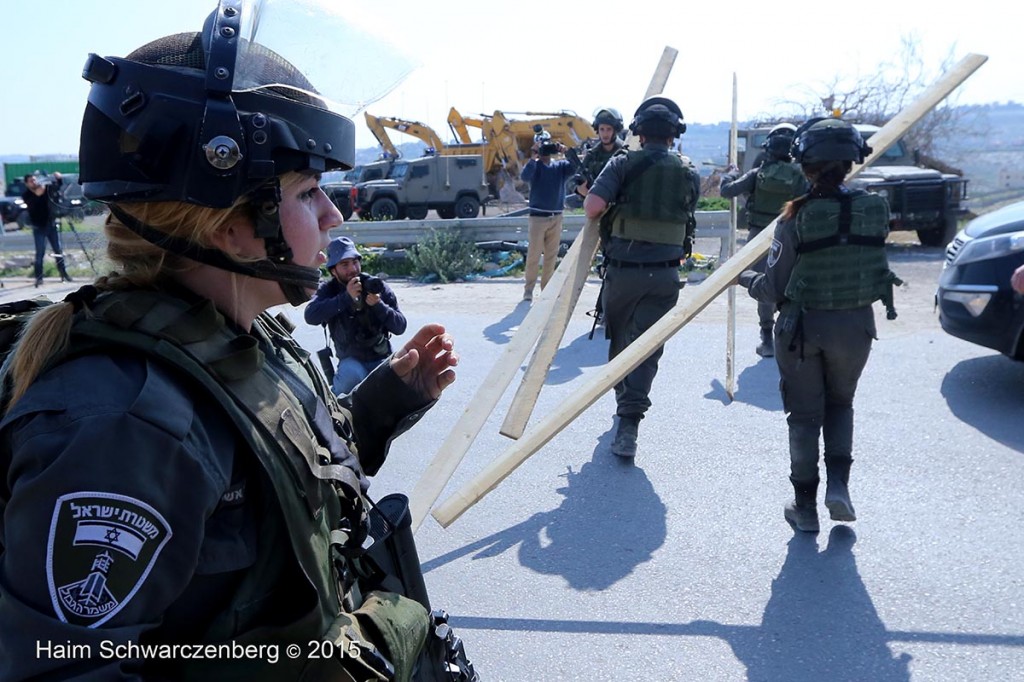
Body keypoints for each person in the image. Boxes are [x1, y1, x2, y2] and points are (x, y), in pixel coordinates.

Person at [0, 3, 462, 680]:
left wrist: (386, 402)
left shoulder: (242, 338)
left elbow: (277, 476)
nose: (334, 215)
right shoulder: (125, 428)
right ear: (230, 227)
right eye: (308, 192)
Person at [737, 117, 901, 533]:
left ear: (804, 165)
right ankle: (840, 489)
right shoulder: (875, 208)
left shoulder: (795, 218)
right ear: (851, 161)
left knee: (804, 417)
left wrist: (745, 279)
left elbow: (773, 287)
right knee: (841, 404)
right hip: (857, 328)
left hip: (803, 331)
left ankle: (805, 507)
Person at [583, 96, 700, 459]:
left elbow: (592, 208)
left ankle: (625, 410)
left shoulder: (622, 163)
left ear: (637, 132)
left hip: (624, 273)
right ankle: (630, 423)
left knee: (620, 345)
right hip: (665, 276)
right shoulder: (689, 170)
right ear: (674, 134)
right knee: (648, 348)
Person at [720, 123, 809, 357]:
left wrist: (729, 174)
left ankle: (767, 339)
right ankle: (791, 336)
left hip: (758, 237)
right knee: (795, 284)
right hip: (792, 236)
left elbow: (727, 190)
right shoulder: (800, 177)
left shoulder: (758, 174)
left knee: (765, 285)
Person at [305, 236, 407, 395]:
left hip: (380, 357)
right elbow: (310, 316)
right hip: (350, 362)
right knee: (352, 376)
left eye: (355, 262)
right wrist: (346, 298)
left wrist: (379, 306)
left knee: (397, 387)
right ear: (333, 270)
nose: (352, 269)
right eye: (345, 265)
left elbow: (400, 326)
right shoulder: (329, 290)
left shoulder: (375, 285)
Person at [519, 131, 576, 301]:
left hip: (556, 216)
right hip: (538, 217)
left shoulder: (560, 167)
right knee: (534, 256)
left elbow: (575, 167)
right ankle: (528, 289)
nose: (545, 151)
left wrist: (566, 151)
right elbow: (524, 176)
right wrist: (533, 156)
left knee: (551, 256)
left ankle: (547, 290)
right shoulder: (535, 167)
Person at [21, 172, 73, 286]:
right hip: (38, 227)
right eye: (31, 181)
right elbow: (35, 200)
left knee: (58, 251)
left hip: (51, 225)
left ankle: (64, 274)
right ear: (26, 184)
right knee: (40, 254)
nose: (34, 182)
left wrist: (58, 178)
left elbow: (57, 186)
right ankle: (39, 278)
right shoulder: (26, 195)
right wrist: (40, 190)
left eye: (34, 180)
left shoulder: (46, 189)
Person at [575, 107, 626, 197]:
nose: (605, 134)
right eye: (602, 129)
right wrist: (580, 190)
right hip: (595, 207)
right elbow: (575, 179)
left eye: (609, 129)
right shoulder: (592, 155)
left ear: (615, 130)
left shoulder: (625, 153)